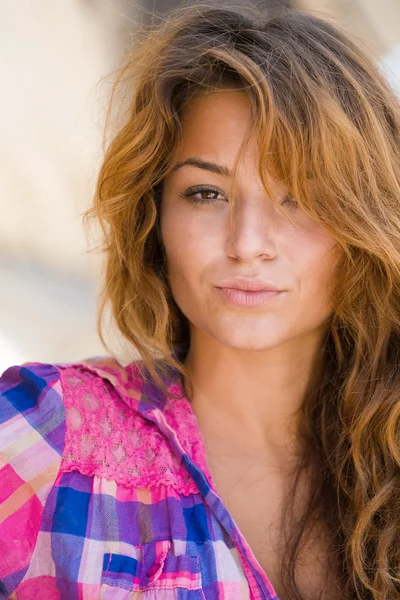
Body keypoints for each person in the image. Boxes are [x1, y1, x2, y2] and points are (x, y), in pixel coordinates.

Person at [1, 3, 400, 600]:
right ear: (154, 216)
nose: (246, 245)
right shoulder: (41, 433)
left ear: (363, 223)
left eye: (299, 198)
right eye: (207, 192)